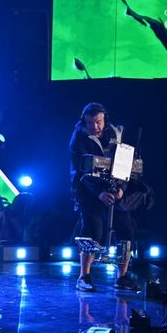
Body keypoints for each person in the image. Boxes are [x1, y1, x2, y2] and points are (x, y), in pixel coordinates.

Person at [69, 102, 140, 292]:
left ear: (104, 120)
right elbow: (82, 173)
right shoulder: (78, 139)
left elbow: (124, 163)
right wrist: (99, 193)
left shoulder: (114, 134)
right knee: (93, 231)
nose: (95, 126)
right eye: (90, 122)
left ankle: (122, 277)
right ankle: (84, 276)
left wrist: (121, 188)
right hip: (88, 191)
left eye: (98, 122)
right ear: (84, 121)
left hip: (113, 188)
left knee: (127, 231)